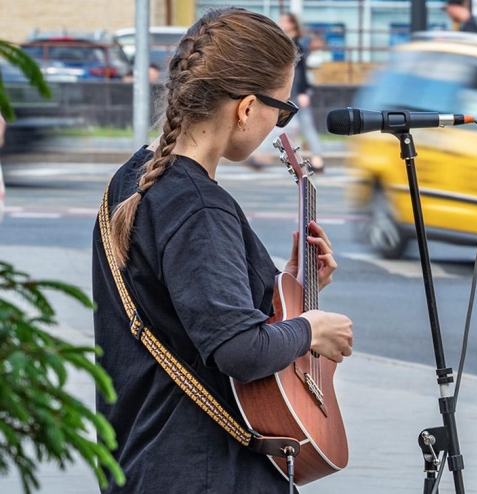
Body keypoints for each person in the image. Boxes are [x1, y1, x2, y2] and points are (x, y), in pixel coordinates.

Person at [92, 7, 354, 493]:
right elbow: (239, 349)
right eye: (283, 109)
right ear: (247, 108)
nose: (280, 126)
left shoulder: (132, 179)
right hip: (201, 468)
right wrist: (312, 327)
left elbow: (191, 312)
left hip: (143, 459)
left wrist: (286, 286)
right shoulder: (199, 209)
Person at [278, 12, 326, 172]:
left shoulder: (295, 44)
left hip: (298, 92)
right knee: (292, 126)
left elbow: (301, 71)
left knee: (304, 125)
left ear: (292, 24)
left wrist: (303, 92)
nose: (281, 22)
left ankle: (317, 161)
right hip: (294, 91)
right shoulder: (289, 42)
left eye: (284, 20)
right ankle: (302, 160)